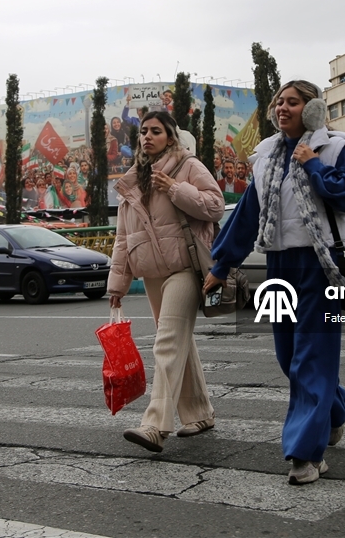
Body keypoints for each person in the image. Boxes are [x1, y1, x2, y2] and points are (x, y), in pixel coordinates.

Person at [204, 80, 345, 485]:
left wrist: (314, 165)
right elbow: (247, 216)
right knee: (288, 355)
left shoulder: (334, 148)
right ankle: (333, 408)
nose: (282, 108)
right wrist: (222, 265)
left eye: (293, 102)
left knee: (310, 357)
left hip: (320, 264)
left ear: (312, 109)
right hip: (279, 264)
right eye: (279, 102)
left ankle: (305, 454)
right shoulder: (265, 156)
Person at [108, 110, 224, 454]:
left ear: (170, 137)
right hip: (152, 273)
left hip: (185, 267)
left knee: (167, 341)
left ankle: (155, 424)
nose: (147, 136)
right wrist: (117, 285)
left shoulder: (188, 165)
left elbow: (215, 206)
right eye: (143, 131)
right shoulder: (133, 179)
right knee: (177, 340)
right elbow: (123, 238)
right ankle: (200, 413)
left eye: (155, 131)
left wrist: (175, 189)